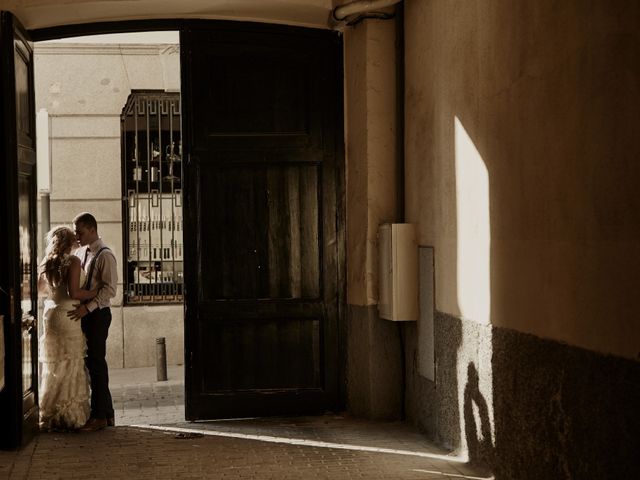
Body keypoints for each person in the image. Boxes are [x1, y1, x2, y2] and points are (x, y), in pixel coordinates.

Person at [38, 226, 99, 431]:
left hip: (51, 315)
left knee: (55, 366)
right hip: (68, 315)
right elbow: (75, 292)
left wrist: (56, 292)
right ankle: (70, 415)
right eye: (75, 238)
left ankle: (51, 413)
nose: (77, 241)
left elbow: (39, 290)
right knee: (71, 363)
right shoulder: (72, 261)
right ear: (69, 242)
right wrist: (94, 292)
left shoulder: (48, 262)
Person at [67, 212, 118, 432]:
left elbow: (109, 290)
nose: (77, 235)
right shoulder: (81, 252)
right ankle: (107, 414)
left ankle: (99, 416)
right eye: (76, 231)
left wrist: (86, 309)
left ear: (92, 229)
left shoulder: (105, 255)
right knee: (94, 363)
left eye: (80, 231)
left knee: (97, 363)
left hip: (98, 315)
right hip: (87, 314)